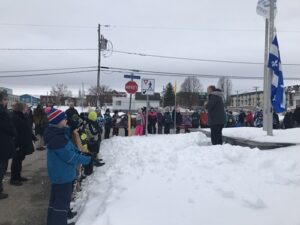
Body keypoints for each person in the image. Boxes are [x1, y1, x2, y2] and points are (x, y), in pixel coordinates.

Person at [44, 107, 91, 225]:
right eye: (64, 119)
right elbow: (71, 157)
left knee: (56, 201)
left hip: (60, 175)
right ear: (57, 122)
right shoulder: (58, 139)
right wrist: (88, 159)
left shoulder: (59, 134)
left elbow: (71, 150)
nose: (66, 121)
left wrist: (82, 153)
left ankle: (53, 221)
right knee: (61, 203)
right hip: (63, 176)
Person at [10, 102, 35, 186]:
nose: (27, 108)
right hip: (18, 143)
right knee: (16, 161)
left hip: (23, 142)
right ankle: (13, 179)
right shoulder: (15, 117)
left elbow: (27, 129)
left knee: (20, 159)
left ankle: (18, 176)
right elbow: (14, 133)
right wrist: (16, 145)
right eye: (25, 107)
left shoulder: (23, 116)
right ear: (20, 108)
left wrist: (33, 137)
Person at [0, 91, 17, 199]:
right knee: (2, 167)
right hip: (3, 142)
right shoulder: (2, 112)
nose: (7, 101)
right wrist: (14, 133)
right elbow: (8, 127)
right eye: (5, 99)